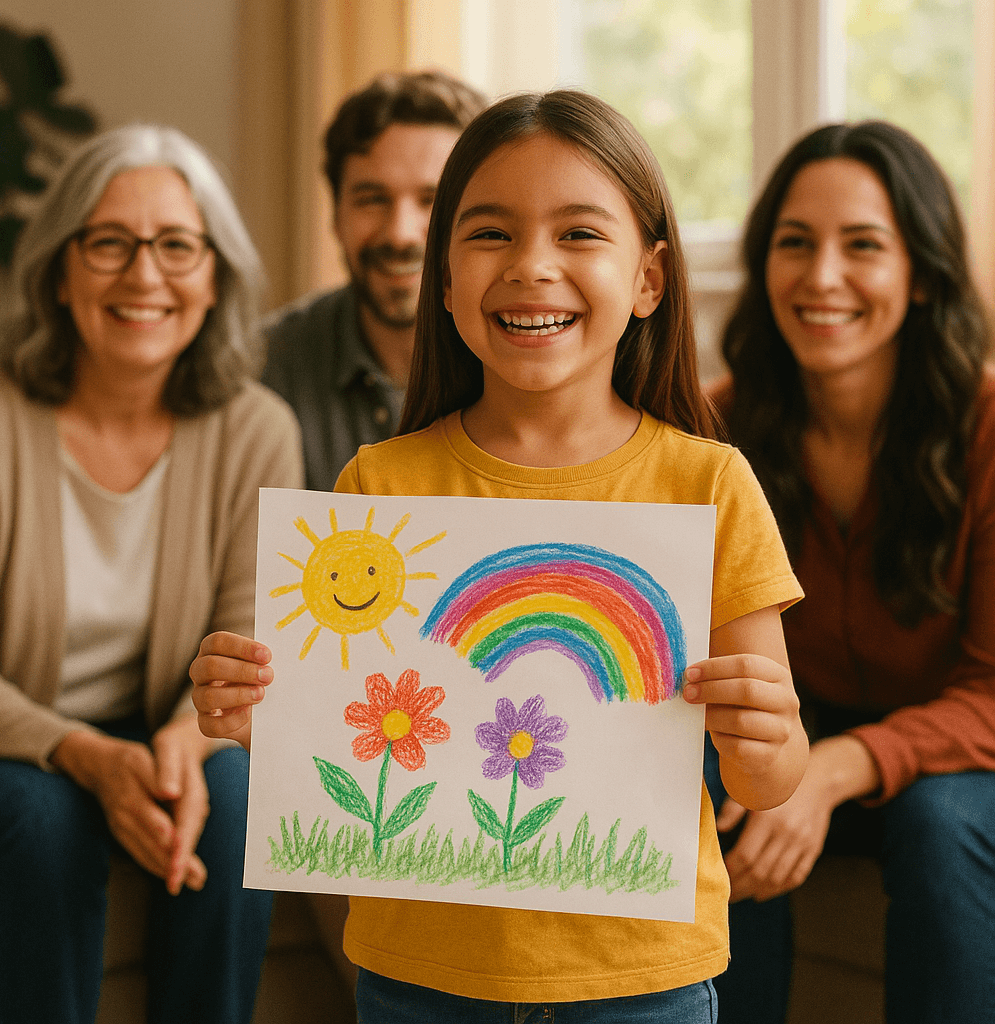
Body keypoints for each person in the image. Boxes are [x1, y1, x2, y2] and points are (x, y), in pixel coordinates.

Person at [193, 90, 809, 1022]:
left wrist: (767, 738)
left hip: (642, 985)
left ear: (649, 279)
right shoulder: (378, 483)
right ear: (444, 280)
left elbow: (769, 780)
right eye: (490, 234)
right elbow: (344, 737)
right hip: (417, 983)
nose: (531, 266)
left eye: (578, 234)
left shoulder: (709, 483)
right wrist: (257, 714)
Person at [0, 124, 303, 1024]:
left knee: (238, 795)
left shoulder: (257, 428)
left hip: (172, 725)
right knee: (37, 816)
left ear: (215, 276)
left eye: (177, 246)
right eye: (109, 243)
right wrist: (90, 757)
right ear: (60, 269)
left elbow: (249, 651)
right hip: (15, 742)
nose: (144, 275)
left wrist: (180, 747)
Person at [706, 120, 995, 1024]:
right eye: (795, 243)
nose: (821, 276)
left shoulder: (989, 431)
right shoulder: (714, 435)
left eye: (862, 245)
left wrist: (835, 768)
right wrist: (780, 762)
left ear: (923, 273)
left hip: (958, 759)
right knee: (714, 783)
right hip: (795, 731)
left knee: (940, 820)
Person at [262, 69, 487, 491]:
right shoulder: (265, 369)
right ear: (336, 216)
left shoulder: (526, 364)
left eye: (432, 200)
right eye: (372, 199)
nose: (400, 234)